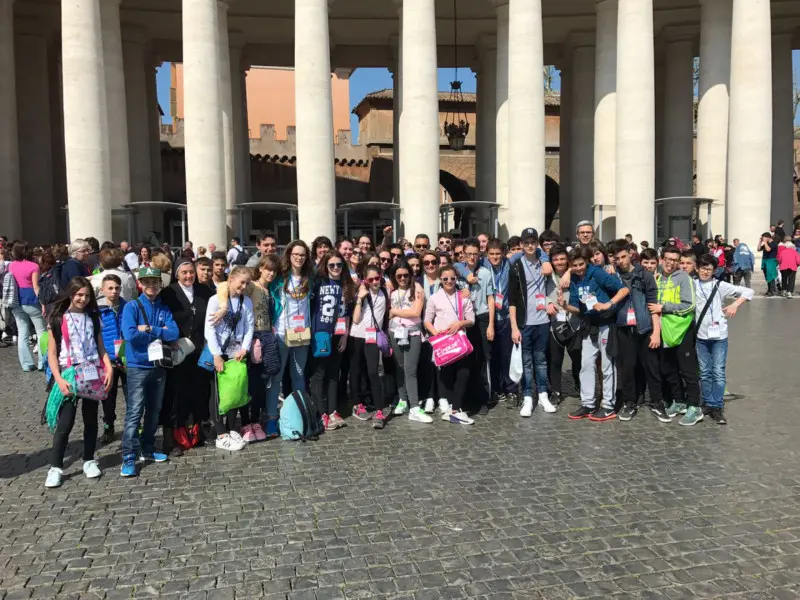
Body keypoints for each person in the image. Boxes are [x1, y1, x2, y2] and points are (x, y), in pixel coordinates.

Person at [43, 277, 113, 488]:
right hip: (70, 375)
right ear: (70, 294)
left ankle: (89, 459)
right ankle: (55, 466)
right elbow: (52, 354)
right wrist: (59, 379)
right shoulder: (58, 319)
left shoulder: (93, 318)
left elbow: (100, 347)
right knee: (65, 423)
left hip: (92, 373)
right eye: (79, 294)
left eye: (86, 295)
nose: (82, 299)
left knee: (91, 420)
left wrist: (108, 367)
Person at [120, 267, 180, 476]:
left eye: (154, 282)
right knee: (135, 411)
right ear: (140, 284)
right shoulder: (131, 307)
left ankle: (148, 447)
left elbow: (173, 333)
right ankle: (129, 455)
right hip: (138, 366)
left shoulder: (163, 307)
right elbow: (130, 335)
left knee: (154, 411)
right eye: (146, 282)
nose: (151, 286)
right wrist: (159, 334)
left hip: (158, 366)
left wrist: (150, 329)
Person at [561, 246, 629, 421]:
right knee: (586, 364)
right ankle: (588, 403)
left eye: (581, 264)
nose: (578, 268)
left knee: (607, 366)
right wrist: (565, 306)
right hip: (589, 326)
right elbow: (577, 307)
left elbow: (623, 290)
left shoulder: (597, 273)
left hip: (606, 324)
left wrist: (608, 304)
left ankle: (608, 405)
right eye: (574, 265)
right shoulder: (575, 279)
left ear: (587, 262)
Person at [159, 259, 213, 453]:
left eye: (191, 272)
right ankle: (173, 437)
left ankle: (199, 432)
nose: (189, 276)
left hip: (199, 349)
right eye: (184, 273)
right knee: (175, 394)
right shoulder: (168, 293)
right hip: (177, 350)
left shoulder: (204, 291)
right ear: (176, 274)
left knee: (199, 391)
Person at [608, 240, 664, 422]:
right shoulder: (613, 276)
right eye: (617, 258)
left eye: (624, 256)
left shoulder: (644, 275)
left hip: (645, 326)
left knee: (652, 367)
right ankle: (629, 402)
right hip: (624, 327)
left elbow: (653, 305)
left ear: (631, 255)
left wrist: (656, 332)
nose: (621, 261)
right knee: (628, 368)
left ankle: (657, 402)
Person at [694, 254, 753, 425]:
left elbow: (748, 291)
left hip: (719, 335)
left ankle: (716, 406)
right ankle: (707, 402)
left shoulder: (720, 285)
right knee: (704, 372)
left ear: (714, 270)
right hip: (701, 336)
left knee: (718, 371)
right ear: (697, 268)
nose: (705, 271)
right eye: (703, 268)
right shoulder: (692, 285)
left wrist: (735, 304)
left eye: (709, 269)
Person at [264, 241, 314, 437]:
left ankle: (300, 416)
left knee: (299, 376)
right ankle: (271, 418)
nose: (299, 257)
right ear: (289, 255)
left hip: (302, 335)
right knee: (276, 379)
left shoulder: (310, 278)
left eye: (303, 254)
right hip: (282, 335)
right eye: (296, 254)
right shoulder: (279, 278)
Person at [649, 245, 702, 426]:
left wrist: (664, 308)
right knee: (669, 369)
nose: (671, 263)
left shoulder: (684, 278)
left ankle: (695, 406)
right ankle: (678, 401)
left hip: (683, 329)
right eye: (668, 259)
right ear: (661, 259)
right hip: (666, 330)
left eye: (675, 260)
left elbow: (689, 305)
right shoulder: (658, 278)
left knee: (688, 370)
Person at [509, 228, 558, 417]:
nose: (530, 245)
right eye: (526, 242)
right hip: (524, 321)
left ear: (537, 243)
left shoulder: (544, 261)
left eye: (533, 242)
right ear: (521, 245)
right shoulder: (515, 265)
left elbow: (553, 286)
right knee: (526, 361)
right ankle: (528, 396)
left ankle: (543, 394)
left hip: (543, 320)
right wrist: (514, 327)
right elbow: (512, 300)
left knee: (541, 360)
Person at [205, 266, 254, 450]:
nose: (243, 286)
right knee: (217, 393)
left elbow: (249, 327)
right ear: (231, 278)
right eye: (241, 282)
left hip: (237, 352)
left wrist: (245, 348)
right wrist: (216, 354)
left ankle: (231, 427)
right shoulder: (215, 300)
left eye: (247, 283)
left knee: (234, 390)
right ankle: (220, 432)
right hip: (220, 351)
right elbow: (209, 329)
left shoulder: (246, 301)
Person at [423, 265, 475, 425]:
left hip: (459, 342)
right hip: (444, 344)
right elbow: (427, 320)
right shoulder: (434, 298)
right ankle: (452, 409)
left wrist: (460, 323)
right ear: (440, 279)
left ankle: (455, 409)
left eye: (452, 278)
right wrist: (437, 334)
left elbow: (471, 320)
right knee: (447, 377)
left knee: (464, 374)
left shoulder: (463, 297)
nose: (449, 281)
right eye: (445, 278)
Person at [309, 251, 353, 431]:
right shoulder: (318, 282)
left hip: (339, 333)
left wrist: (345, 335)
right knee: (319, 374)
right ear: (325, 266)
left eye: (339, 265)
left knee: (334, 374)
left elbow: (347, 312)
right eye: (332, 265)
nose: (335, 268)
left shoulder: (347, 284)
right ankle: (321, 413)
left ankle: (333, 410)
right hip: (321, 332)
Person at [387, 262, 429, 423]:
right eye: (399, 276)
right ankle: (403, 400)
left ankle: (414, 407)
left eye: (406, 275)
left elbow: (416, 312)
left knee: (410, 369)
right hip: (395, 332)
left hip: (413, 332)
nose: (403, 278)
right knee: (400, 368)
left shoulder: (417, 289)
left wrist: (395, 311)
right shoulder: (392, 291)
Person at [350, 265, 390, 428]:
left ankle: (379, 410)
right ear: (365, 280)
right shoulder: (362, 294)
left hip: (372, 337)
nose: (375, 281)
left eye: (377, 278)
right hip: (356, 336)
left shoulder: (384, 292)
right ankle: (356, 403)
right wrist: (359, 298)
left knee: (373, 372)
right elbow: (356, 319)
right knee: (356, 372)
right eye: (371, 279)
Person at [461, 237, 495, 414]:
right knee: (465, 359)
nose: (472, 257)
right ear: (464, 254)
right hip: (464, 321)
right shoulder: (458, 272)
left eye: (475, 254)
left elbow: (490, 298)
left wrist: (490, 324)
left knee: (481, 359)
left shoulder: (485, 273)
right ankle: (467, 398)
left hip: (481, 317)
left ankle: (483, 399)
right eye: (469, 254)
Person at [544, 244, 581, 405]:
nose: (559, 262)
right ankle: (556, 391)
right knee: (555, 360)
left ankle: (580, 385)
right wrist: (546, 303)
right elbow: (537, 292)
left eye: (562, 259)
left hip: (574, 322)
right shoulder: (546, 275)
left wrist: (570, 271)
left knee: (578, 359)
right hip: (555, 323)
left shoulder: (575, 274)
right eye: (555, 259)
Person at [97, 274, 127, 444]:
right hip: (108, 358)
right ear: (102, 289)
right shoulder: (98, 309)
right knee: (109, 396)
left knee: (132, 395)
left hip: (126, 357)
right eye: (110, 288)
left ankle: (135, 425)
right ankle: (109, 425)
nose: (114, 291)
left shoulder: (128, 306)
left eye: (117, 287)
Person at [7, 241, 47, 371]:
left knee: (22, 332)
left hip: (16, 299)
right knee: (41, 331)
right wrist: (43, 303)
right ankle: (42, 362)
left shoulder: (11, 265)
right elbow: (36, 286)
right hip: (31, 299)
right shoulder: (34, 266)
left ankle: (26, 364)